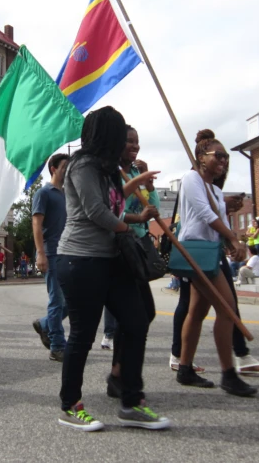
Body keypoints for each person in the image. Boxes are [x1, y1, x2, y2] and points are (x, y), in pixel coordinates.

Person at [56, 106, 171, 431]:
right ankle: (70, 405)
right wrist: (128, 233)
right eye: (120, 132)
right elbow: (97, 212)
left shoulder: (106, 168)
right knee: (83, 335)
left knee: (136, 321)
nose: (125, 139)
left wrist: (135, 182)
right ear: (106, 134)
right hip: (81, 260)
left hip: (110, 259)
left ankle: (131, 402)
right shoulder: (82, 165)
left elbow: (114, 204)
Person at [176, 129, 256, 397]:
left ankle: (185, 368)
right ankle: (228, 374)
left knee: (197, 311)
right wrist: (233, 239)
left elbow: (214, 220)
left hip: (211, 251)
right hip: (196, 252)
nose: (223, 161)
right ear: (200, 156)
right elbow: (204, 215)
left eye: (226, 157)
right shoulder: (191, 179)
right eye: (218, 156)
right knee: (227, 309)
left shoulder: (213, 188)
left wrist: (227, 243)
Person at [105, 126, 162, 398]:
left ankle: (120, 373)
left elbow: (156, 209)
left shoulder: (138, 174)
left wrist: (148, 185)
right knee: (137, 314)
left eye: (137, 141)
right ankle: (123, 377)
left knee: (143, 313)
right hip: (121, 247)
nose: (134, 146)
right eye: (129, 141)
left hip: (141, 246)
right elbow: (113, 210)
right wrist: (138, 219)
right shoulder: (111, 173)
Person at [31, 153, 70, 362]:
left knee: (71, 302)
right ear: (53, 168)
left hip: (67, 253)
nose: (67, 170)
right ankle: (57, 346)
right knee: (56, 300)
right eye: (64, 166)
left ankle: (45, 324)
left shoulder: (66, 194)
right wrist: (40, 253)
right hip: (50, 252)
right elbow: (36, 223)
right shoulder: (44, 193)